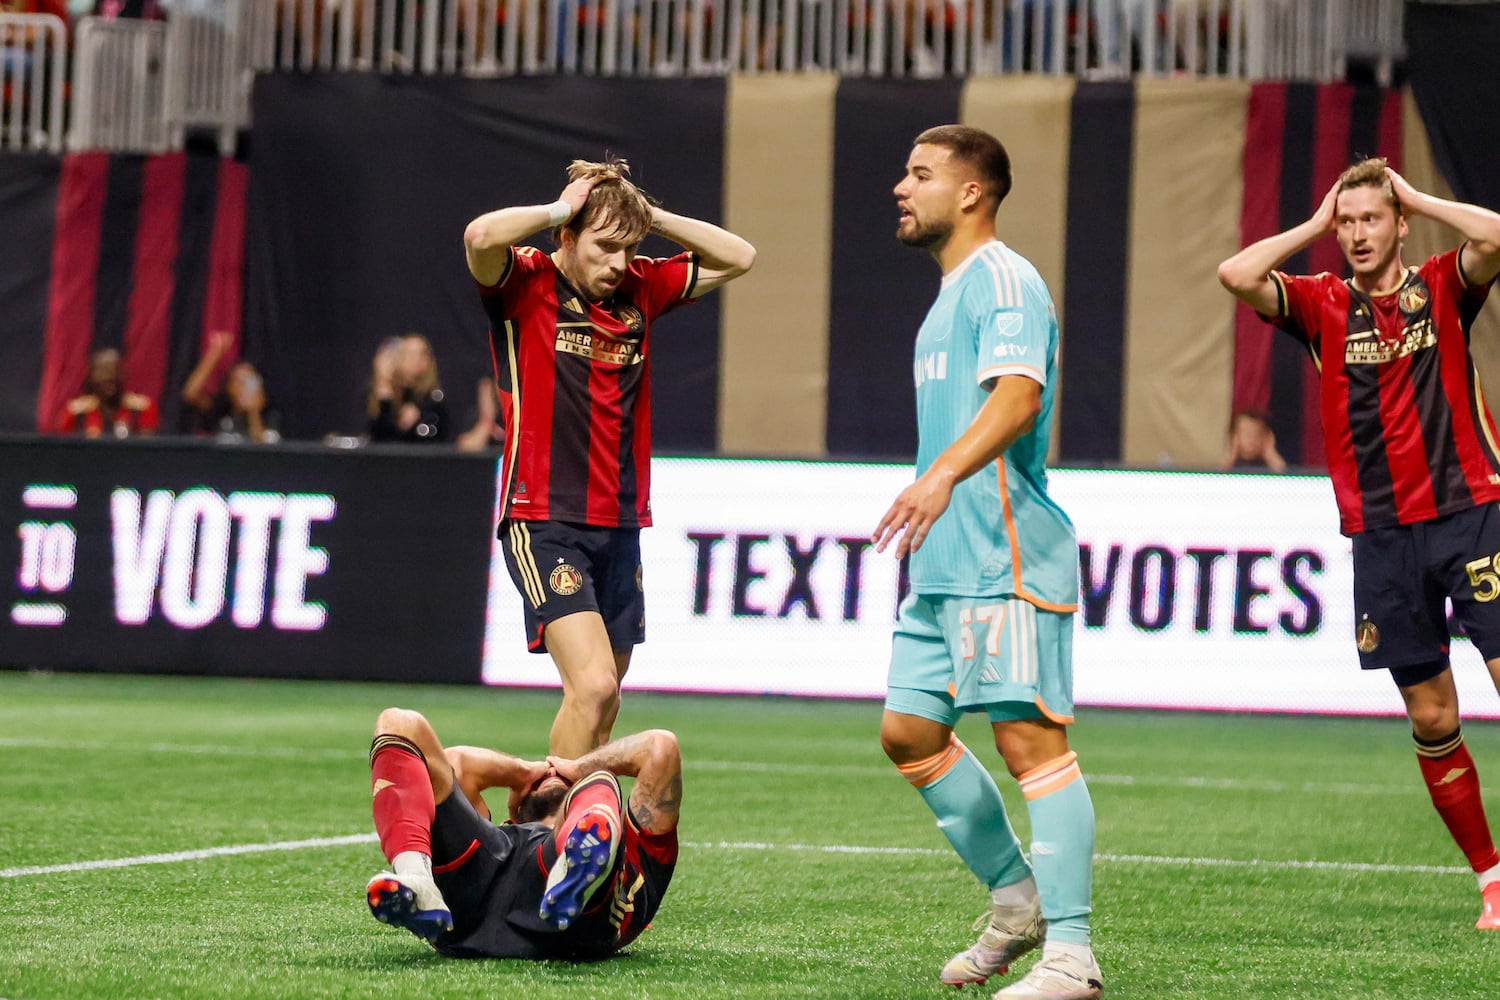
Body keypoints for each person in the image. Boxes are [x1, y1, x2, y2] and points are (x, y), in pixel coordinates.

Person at [1218, 158, 1500, 931]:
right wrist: (1313, 225)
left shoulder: (1442, 283)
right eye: (1348, 223)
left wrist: (1414, 196)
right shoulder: (1321, 304)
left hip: (1472, 511)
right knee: (1434, 717)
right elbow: (1235, 274)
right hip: (1379, 535)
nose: (1358, 234)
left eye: (1372, 219)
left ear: (1400, 224)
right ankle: (1493, 880)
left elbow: (1497, 236)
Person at [872, 125, 1101, 1000]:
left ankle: (1073, 956)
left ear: (973, 193)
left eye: (920, 173)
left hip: (1005, 553)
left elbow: (1018, 397)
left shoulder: (1006, 279)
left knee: (1028, 741)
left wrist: (937, 478)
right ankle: (1017, 902)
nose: (902, 186)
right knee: (910, 733)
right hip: (943, 565)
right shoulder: (946, 297)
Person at [463, 157, 755, 757]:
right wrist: (560, 208)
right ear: (567, 237)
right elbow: (479, 236)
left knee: (605, 700)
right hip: (543, 518)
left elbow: (739, 256)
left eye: (629, 248)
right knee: (592, 688)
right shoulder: (526, 282)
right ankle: (545, 835)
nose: (618, 263)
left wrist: (653, 217)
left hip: (621, 523)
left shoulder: (639, 288)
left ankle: (565, 830)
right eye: (604, 247)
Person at [364, 706, 681, 960]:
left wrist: (579, 767)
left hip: (585, 919)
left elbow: (660, 748)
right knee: (398, 722)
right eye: (548, 775)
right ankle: (418, 881)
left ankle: (575, 870)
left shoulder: (632, 854)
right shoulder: (500, 832)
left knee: (602, 781)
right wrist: (525, 771)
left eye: (559, 776)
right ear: (513, 813)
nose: (553, 773)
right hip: (476, 886)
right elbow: (457, 764)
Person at [181, 330, 281, 443]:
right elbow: (191, 394)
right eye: (238, 382)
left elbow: (264, 452)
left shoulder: (270, 417)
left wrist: (254, 412)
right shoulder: (220, 413)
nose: (244, 388)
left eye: (250, 382)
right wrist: (214, 354)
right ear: (229, 388)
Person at [55, 347, 159, 438]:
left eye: (114, 372)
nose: (109, 377)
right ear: (91, 377)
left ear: (123, 375)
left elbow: (147, 452)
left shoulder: (143, 409)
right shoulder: (74, 412)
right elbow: (65, 452)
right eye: (102, 372)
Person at [367, 332, 451, 444]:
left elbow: (436, 438)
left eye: (422, 353)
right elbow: (377, 438)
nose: (416, 359)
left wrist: (419, 417)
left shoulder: (433, 398)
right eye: (409, 353)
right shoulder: (382, 394)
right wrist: (385, 396)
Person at [1217, 409, 1286, 473]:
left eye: (1257, 434)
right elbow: (1220, 473)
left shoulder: (1268, 463)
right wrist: (1232, 453)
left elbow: (1282, 472)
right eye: (1247, 433)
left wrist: (1270, 452)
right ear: (1235, 437)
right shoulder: (1231, 462)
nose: (1252, 438)